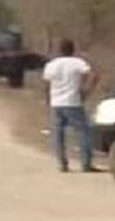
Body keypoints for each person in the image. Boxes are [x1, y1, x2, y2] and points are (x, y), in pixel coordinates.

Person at [42, 39, 99, 173]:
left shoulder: (51, 65)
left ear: (59, 50)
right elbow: (94, 75)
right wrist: (86, 91)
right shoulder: (77, 63)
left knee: (58, 134)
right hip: (73, 102)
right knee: (83, 132)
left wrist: (47, 99)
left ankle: (62, 164)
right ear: (73, 49)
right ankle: (85, 163)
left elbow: (46, 84)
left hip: (56, 103)